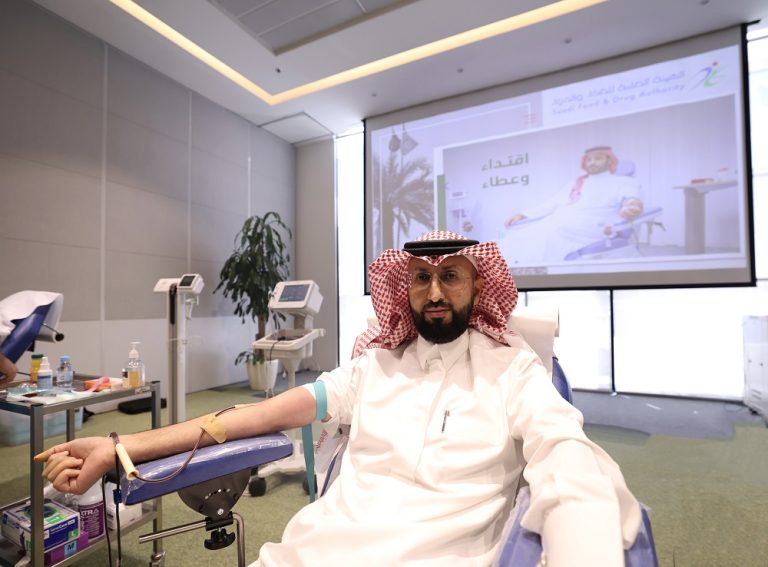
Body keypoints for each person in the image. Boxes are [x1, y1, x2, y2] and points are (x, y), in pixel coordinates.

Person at [38, 231, 641, 566]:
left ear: (477, 285)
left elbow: (568, 457)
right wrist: (120, 444)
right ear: (403, 289)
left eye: (451, 276)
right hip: (316, 551)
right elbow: (247, 417)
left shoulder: (513, 369)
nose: (435, 292)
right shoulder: (372, 367)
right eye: (421, 278)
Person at [499, 146, 644, 264]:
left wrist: (631, 208)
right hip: (560, 223)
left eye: (598, 159)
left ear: (609, 160)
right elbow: (551, 204)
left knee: (543, 237)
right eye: (589, 160)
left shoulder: (624, 182)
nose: (592, 162)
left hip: (590, 227)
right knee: (519, 235)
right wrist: (523, 214)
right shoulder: (575, 184)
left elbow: (632, 200)